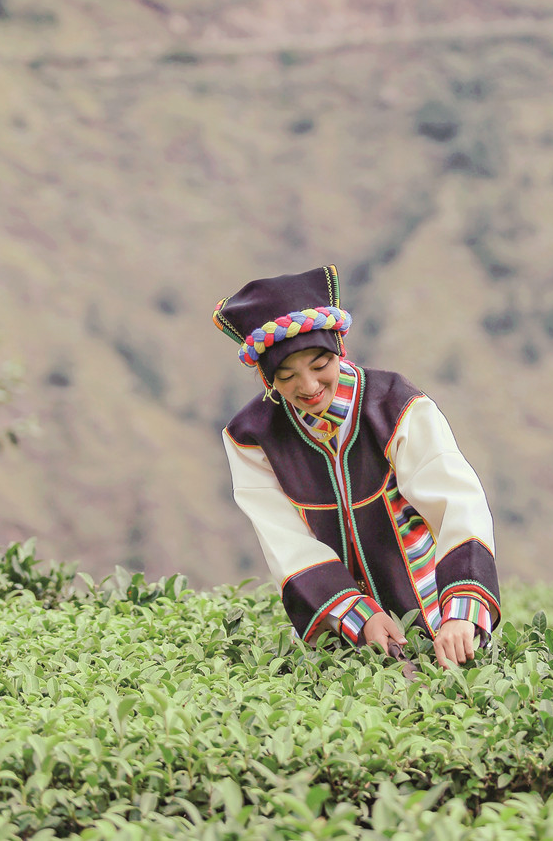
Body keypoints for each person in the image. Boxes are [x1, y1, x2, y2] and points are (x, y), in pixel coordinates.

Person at [214, 264, 500, 668]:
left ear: (339, 350)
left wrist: (462, 612)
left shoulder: (396, 405)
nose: (309, 387)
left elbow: (456, 502)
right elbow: (286, 541)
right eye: (287, 376)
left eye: (319, 366)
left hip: (438, 620)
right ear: (267, 379)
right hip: (339, 632)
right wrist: (359, 616)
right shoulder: (252, 437)